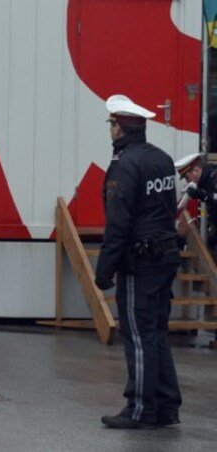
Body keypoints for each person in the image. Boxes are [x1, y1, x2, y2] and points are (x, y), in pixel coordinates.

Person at [95, 94, 181, 430]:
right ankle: (166, 405)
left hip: (140, 261)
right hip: (165, 255)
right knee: (156, 333)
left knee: (139, 335)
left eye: (112, 124)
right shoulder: (162, 159)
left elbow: (119, 222)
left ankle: (140, 409)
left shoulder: (124, 165)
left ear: (119, 128)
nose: (111, 129)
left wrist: (104, 270)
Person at [175, 153, 217, 248]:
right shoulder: (204, 183)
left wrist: (204, 196)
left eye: (187, 177)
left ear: (196, 171)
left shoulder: (213, 178)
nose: (187, 181)